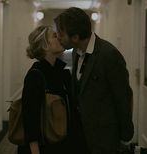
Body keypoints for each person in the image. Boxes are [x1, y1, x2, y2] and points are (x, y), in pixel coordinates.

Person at [54, 7, 134, 154]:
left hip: (105, 139)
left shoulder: (109, 55)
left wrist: (125, 138)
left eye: (61, 33)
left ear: (76, 37)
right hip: (82, 136)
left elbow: (123, 98)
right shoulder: (75, 52)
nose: (57, 36)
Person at [18, 25, 75, 154]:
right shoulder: (35, 75)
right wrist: (35, 151)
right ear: (45, 45)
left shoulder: (61, 72)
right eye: (55, 36)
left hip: (60, 143)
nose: (59, 37)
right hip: (44, 147)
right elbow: (30, 118)